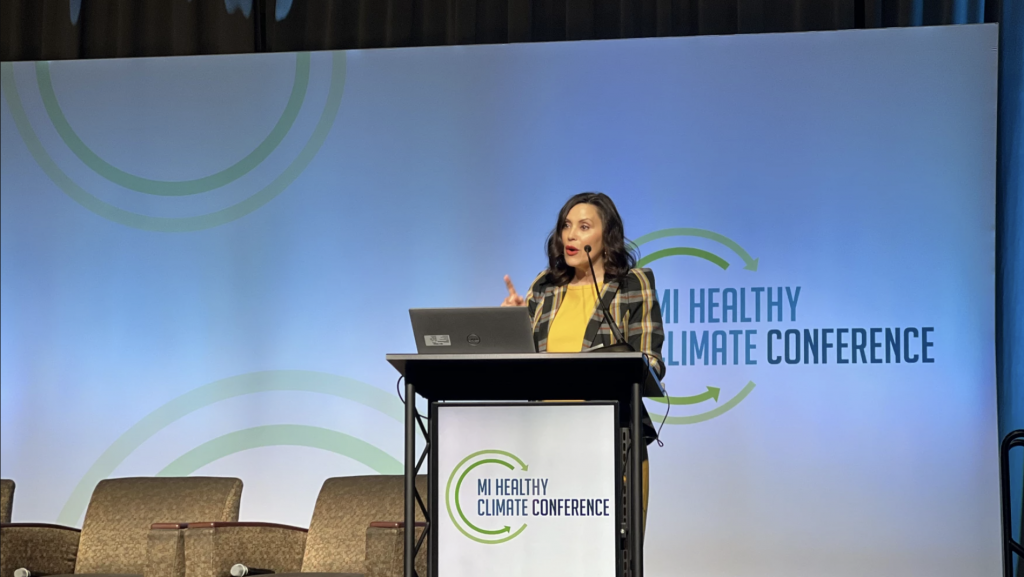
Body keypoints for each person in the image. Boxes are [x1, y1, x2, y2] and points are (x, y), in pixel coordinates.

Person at [500, 191, 665, 530]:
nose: (571, 235)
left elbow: (652, 360)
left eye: (584, 226)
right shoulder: (544, 287)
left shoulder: (633, 284)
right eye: (566, 226)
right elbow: (522, 365)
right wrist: (513, 325)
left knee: (616, 554)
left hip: (614, 440)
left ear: (607, 237)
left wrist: (611, 362)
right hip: (544, 439)